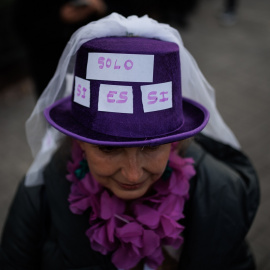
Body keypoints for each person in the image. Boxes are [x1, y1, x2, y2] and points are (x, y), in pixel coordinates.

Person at [0, 13, 259, 270]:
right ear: (79, 142)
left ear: (174, 142)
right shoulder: (38, 197)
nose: (133, 174)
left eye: (152, 146)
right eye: (107, 148)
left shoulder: (219, 193)